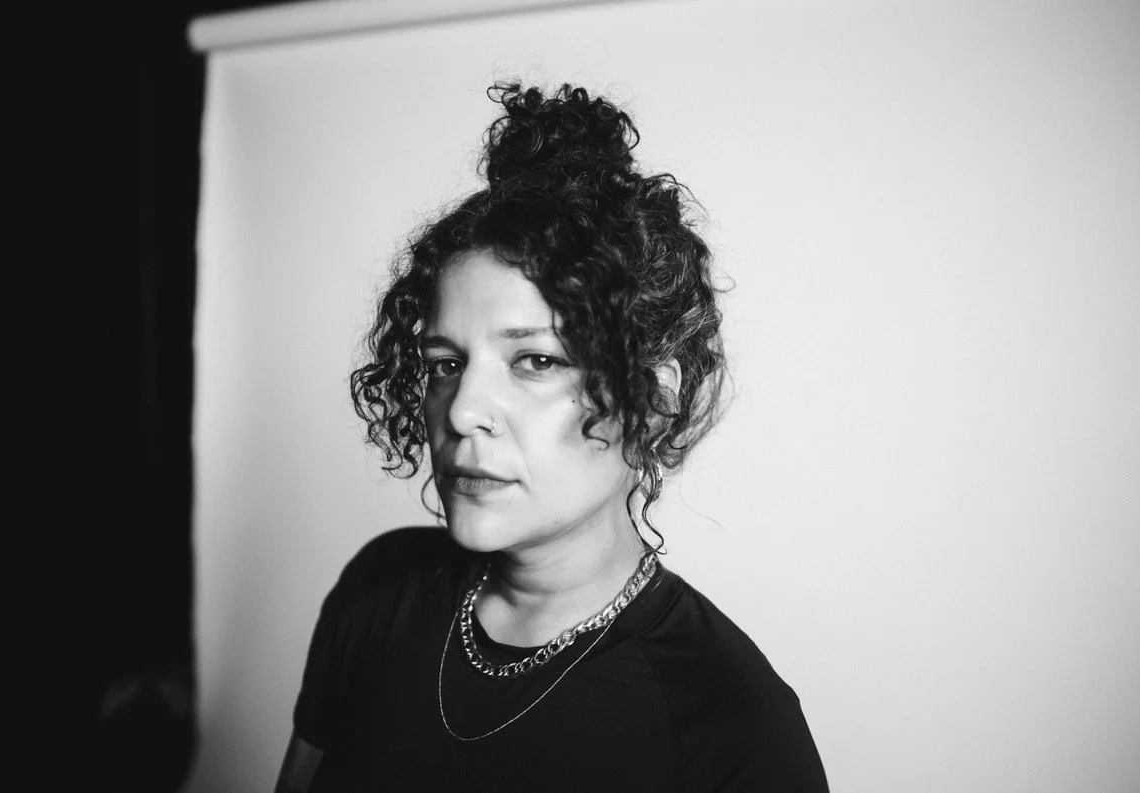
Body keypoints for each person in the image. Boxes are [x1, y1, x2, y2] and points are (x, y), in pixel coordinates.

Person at [275, 83, 828, 792]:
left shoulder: (732, 725)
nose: (463, 409)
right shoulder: (379, 591)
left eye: (535, 359)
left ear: (652, 401)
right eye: (446, 363)